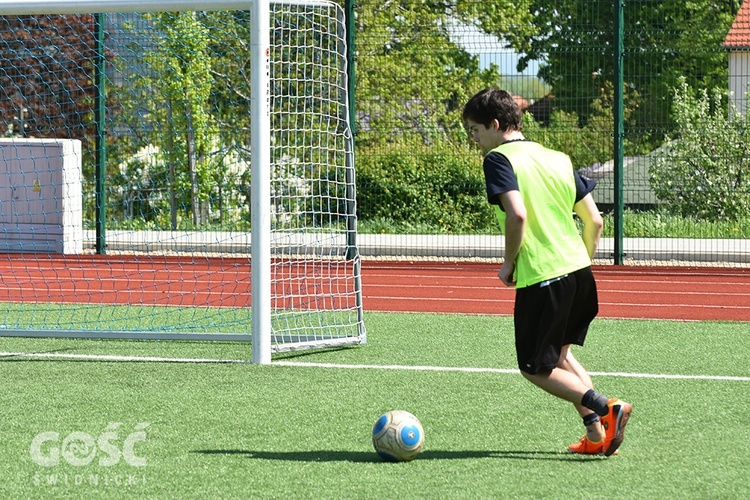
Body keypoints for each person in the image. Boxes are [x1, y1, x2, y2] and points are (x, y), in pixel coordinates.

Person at [462, 87, 632, 456]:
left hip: (543, 275)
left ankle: (608, 408)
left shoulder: (498, 159)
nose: (474, 141)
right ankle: (597, 435)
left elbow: (517, 214)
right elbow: (596, 221)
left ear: (495, 125)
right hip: (580, 273)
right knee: (559, 358)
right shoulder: (557, 157)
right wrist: (580, 262)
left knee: (534, 368)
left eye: (475, 131)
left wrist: (508, 263)